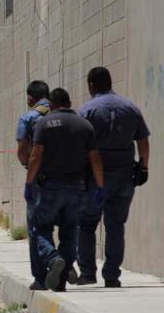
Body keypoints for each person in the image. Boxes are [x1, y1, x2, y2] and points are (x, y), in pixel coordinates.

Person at [76, 67, 150, 288]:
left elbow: (80, 146)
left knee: (87, 224)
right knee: (116, 226)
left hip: (94, 180)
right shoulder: (130, 108)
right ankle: (112, 276)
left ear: (91, 85)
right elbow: (143, 140)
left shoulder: (86, 110)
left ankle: (88, 273)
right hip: (124, 175)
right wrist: (144, 167)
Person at [25, 88, 105, 291]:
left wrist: (28, 183)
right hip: (77, 188)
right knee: (70, 233)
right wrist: (100, 186)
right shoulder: (85, 125)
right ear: (69, 102)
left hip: (50, 186)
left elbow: (35, 156)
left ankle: (52, 258)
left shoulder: (44, 123)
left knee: (40, 227)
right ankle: (60, 280)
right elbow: (95, 158)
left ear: (51, 105)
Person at [15, 80, 51, 290]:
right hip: (67, 179)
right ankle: (63, 265)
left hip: (38, 178)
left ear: (30, 97)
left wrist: (26, 165)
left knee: (36, 226)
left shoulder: (28, 117)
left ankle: (41, 277)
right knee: (65, 225)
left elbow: (22, 149)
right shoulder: (61, 114)